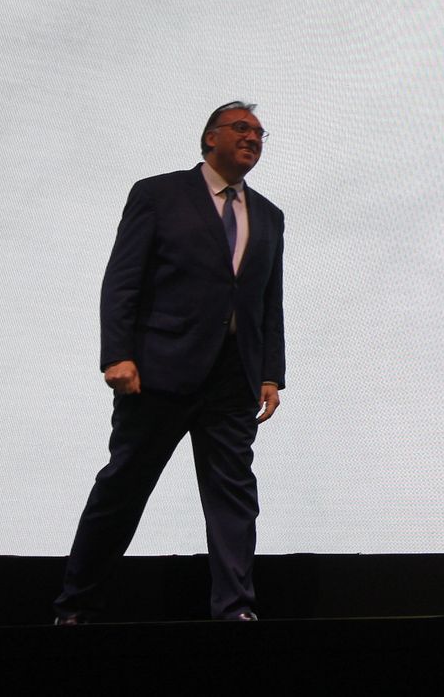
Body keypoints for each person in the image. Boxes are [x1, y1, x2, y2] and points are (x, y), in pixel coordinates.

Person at [54, 101, 286, 623]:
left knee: (234, 499)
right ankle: (77, 604)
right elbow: (122, 280)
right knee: (124, 488)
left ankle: (235, 609)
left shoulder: (269, 216)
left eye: (259, 133)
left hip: (233, 378)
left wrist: (271, 372)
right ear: (209, 138)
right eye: (241, 128)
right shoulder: (158, 194)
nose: (253, 138)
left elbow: (268, 301)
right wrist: (117, 354)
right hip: (159, 371)